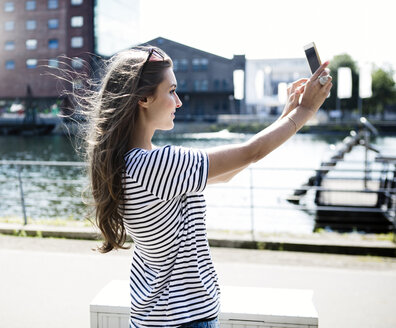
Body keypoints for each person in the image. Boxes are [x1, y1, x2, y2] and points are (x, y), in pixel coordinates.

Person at [82, 46, 332, 328]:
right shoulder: (157, 164)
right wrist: (307, 110)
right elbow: (250, 152)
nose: (178, 102)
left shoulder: (131, 163)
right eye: (171, 91)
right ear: (143, 98)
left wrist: (286, 116)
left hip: (156, 317)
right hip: (183, 319)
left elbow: (227, 172)